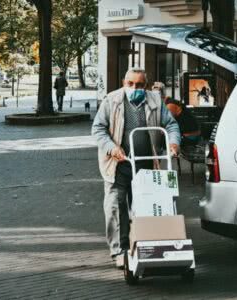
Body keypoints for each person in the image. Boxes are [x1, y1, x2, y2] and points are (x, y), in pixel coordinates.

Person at [92, 69, 181, 268]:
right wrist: (111, 147)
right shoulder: (112, 100)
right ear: (124, 82)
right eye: (131, 84)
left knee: (146, 207)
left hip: (147, 164)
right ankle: (119, 251)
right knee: (115, 207)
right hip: (118, 165)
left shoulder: (156, 100)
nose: (135, 88)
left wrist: (173, 143)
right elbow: (98, 128)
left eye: (140, 85)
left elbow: (171, 125)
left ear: (146, 85)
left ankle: (145, 244)